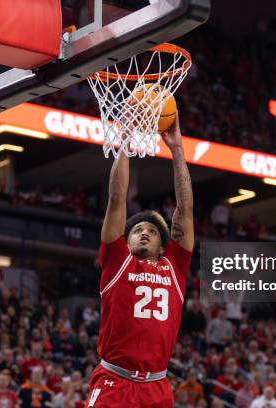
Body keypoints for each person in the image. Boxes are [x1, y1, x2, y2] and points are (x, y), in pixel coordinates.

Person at [86, 115, 194, 407]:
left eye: (151, 231)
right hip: (114, 381)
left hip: (157, 386)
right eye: (136, 230)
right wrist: (126, 140)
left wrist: (177, 149)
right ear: (127, 241)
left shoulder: (174, 267)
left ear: (163, 245)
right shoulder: (116, 260)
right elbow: (117, 197)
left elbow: (184, 210)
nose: (144, 233)